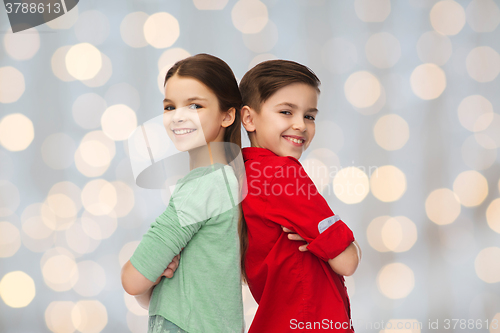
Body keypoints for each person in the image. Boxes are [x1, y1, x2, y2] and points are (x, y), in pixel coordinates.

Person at [121, 54, 246, 333]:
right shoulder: (226, 179)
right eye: (169, 107)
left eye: (195, 105)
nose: (178, 116)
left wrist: (148, 272)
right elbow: (152, 295)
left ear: (228, 115)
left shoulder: (204, 186)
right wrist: (154, 274)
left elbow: (133, 280)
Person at [239, 59, 362, 332]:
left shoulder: (244, 173)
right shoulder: (283, 174)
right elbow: (347, 260)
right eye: (286, 111)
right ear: (249, 118)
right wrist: (349, 246)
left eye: (309, 116)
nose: (301, 125)